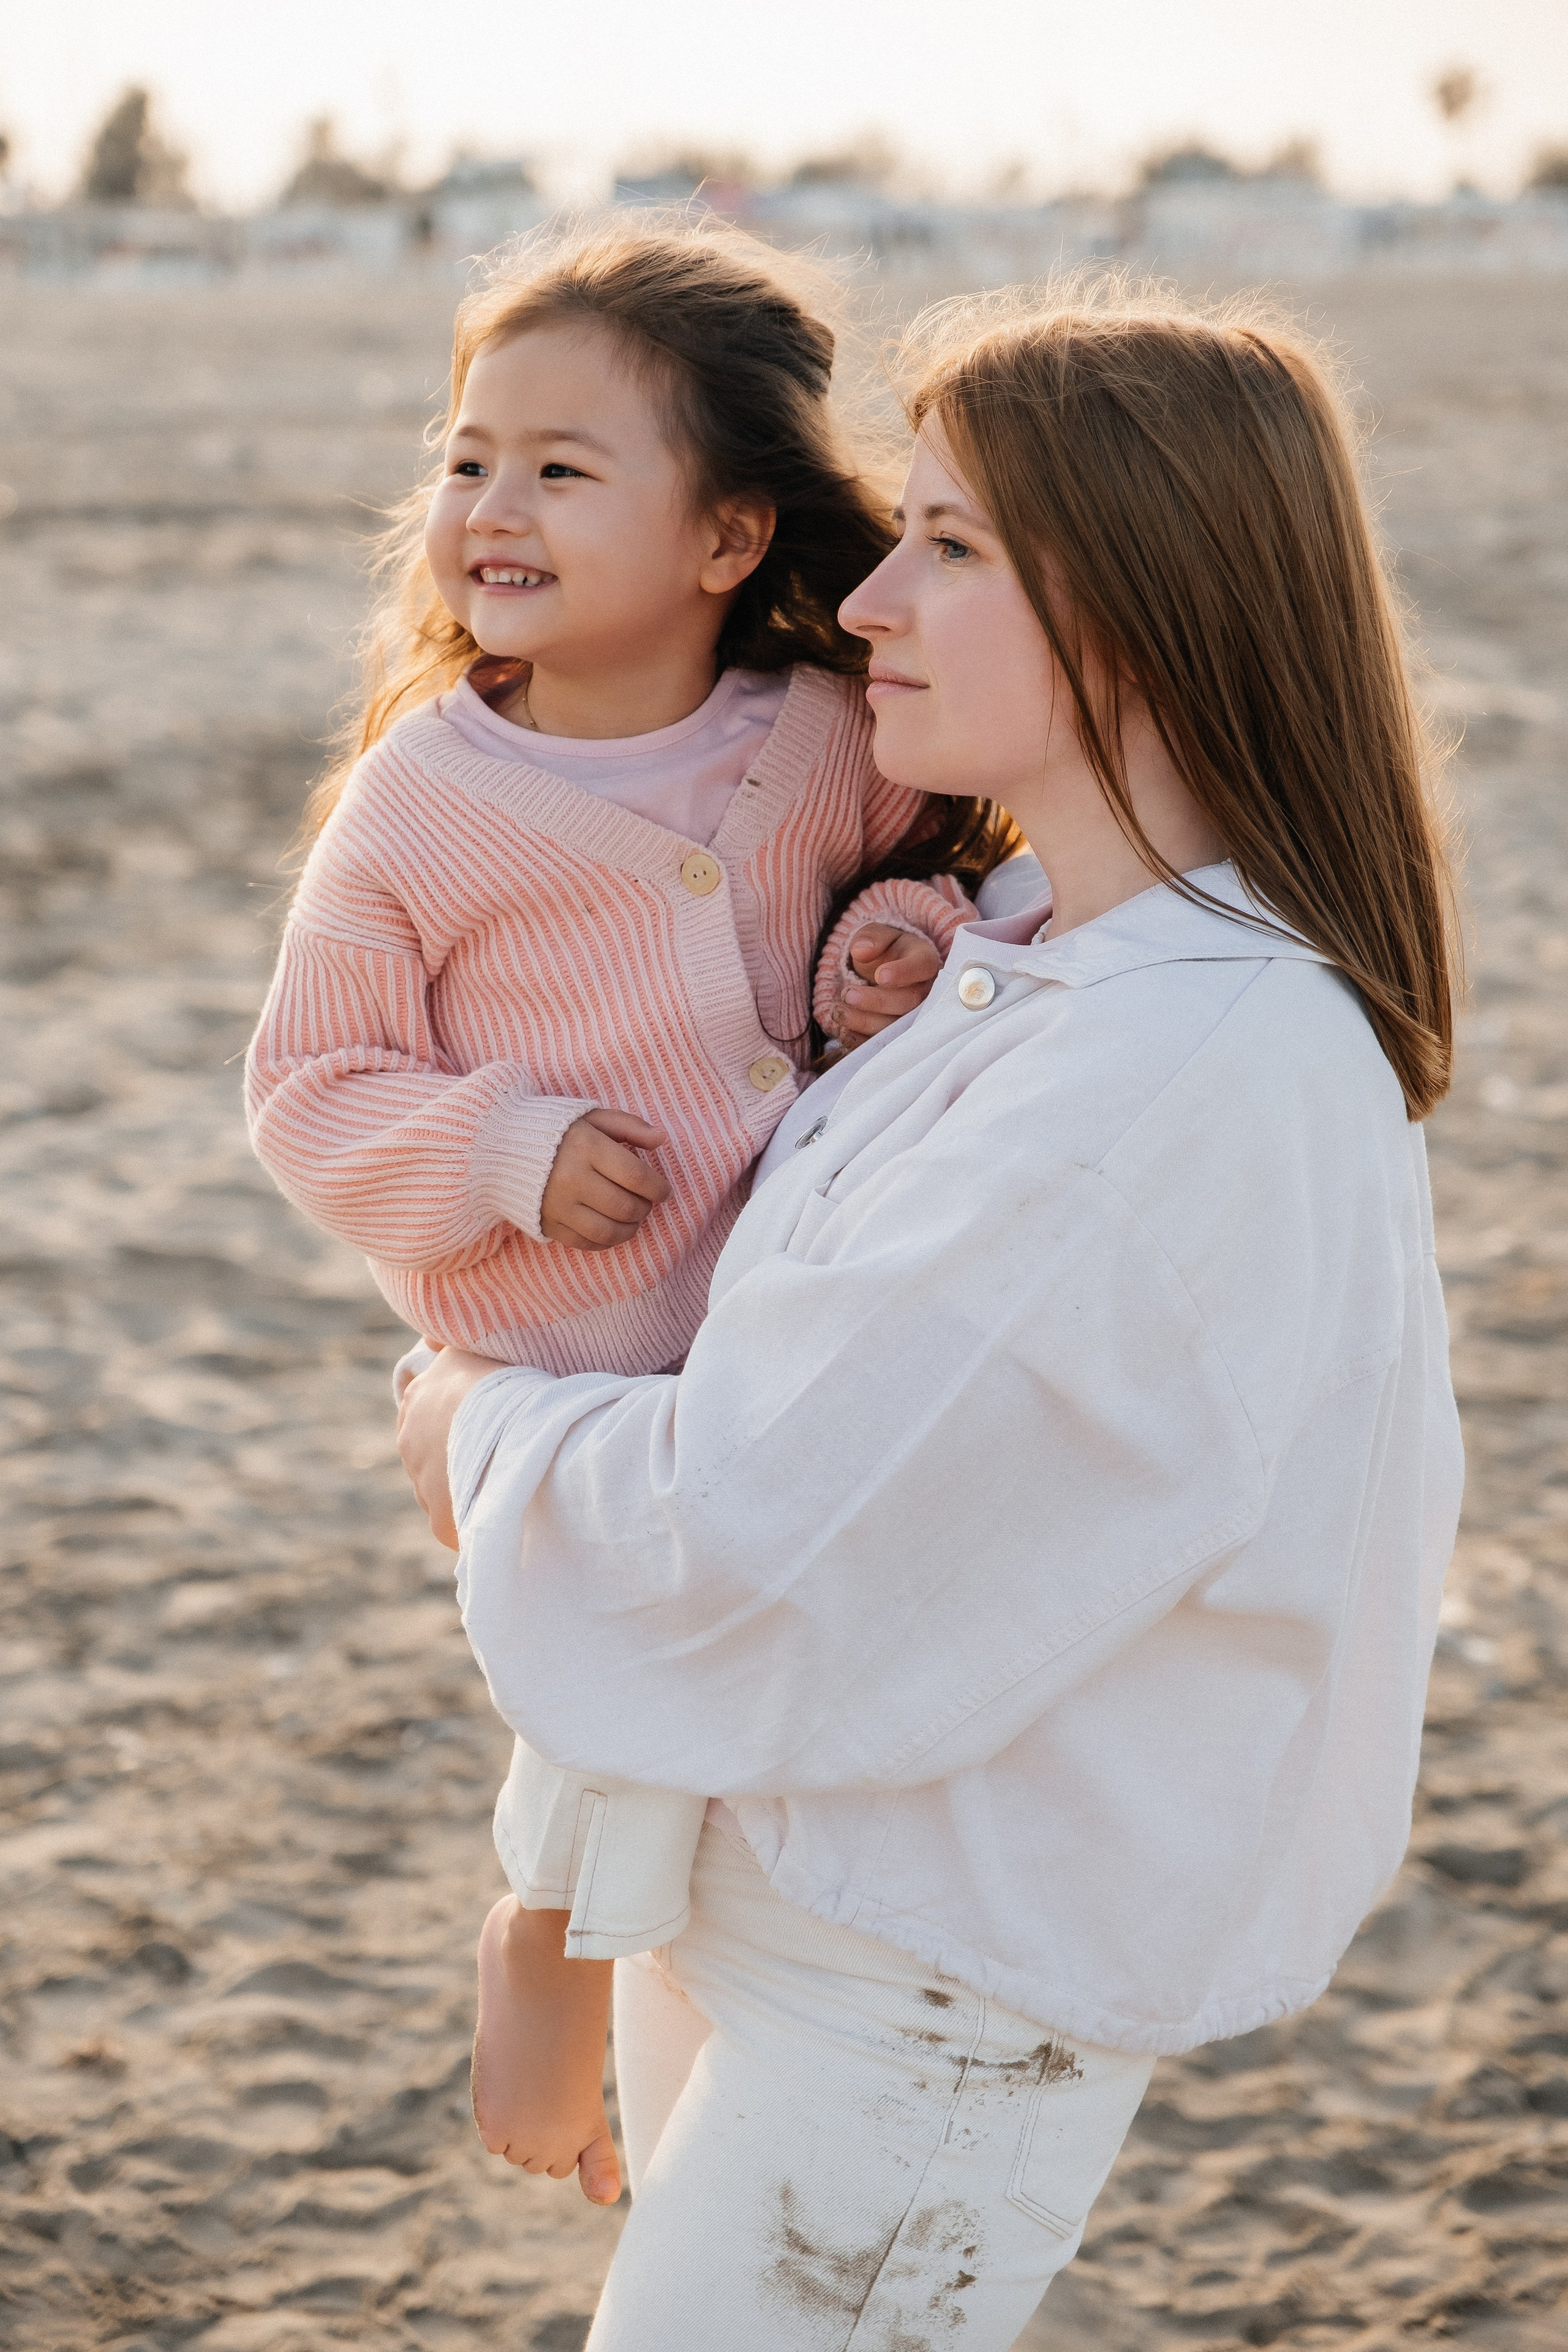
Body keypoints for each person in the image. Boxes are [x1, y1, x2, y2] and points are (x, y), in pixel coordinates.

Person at [397, 277, 1464, 2351]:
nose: (867, 600)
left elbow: (750, 1539)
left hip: (927, 1996)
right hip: (794, 1883)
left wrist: (471, 1435)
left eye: (951, 547)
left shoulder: (1176, 1075)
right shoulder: (1046, 944)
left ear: (1144, 606)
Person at [244, 216, 1027, 2207]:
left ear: (729, 541)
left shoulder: (821, 745)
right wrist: (506, 1149)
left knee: (744, 1641)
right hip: (567, 1340)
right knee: (629, 1631)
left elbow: (911, 900)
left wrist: (887, 956)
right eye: (467, 457)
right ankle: (540, 1932)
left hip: (778, 1303)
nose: (492, 503)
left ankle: (660, 1957)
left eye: (562, 469)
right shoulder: (423, 806)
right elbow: (310, 1094)